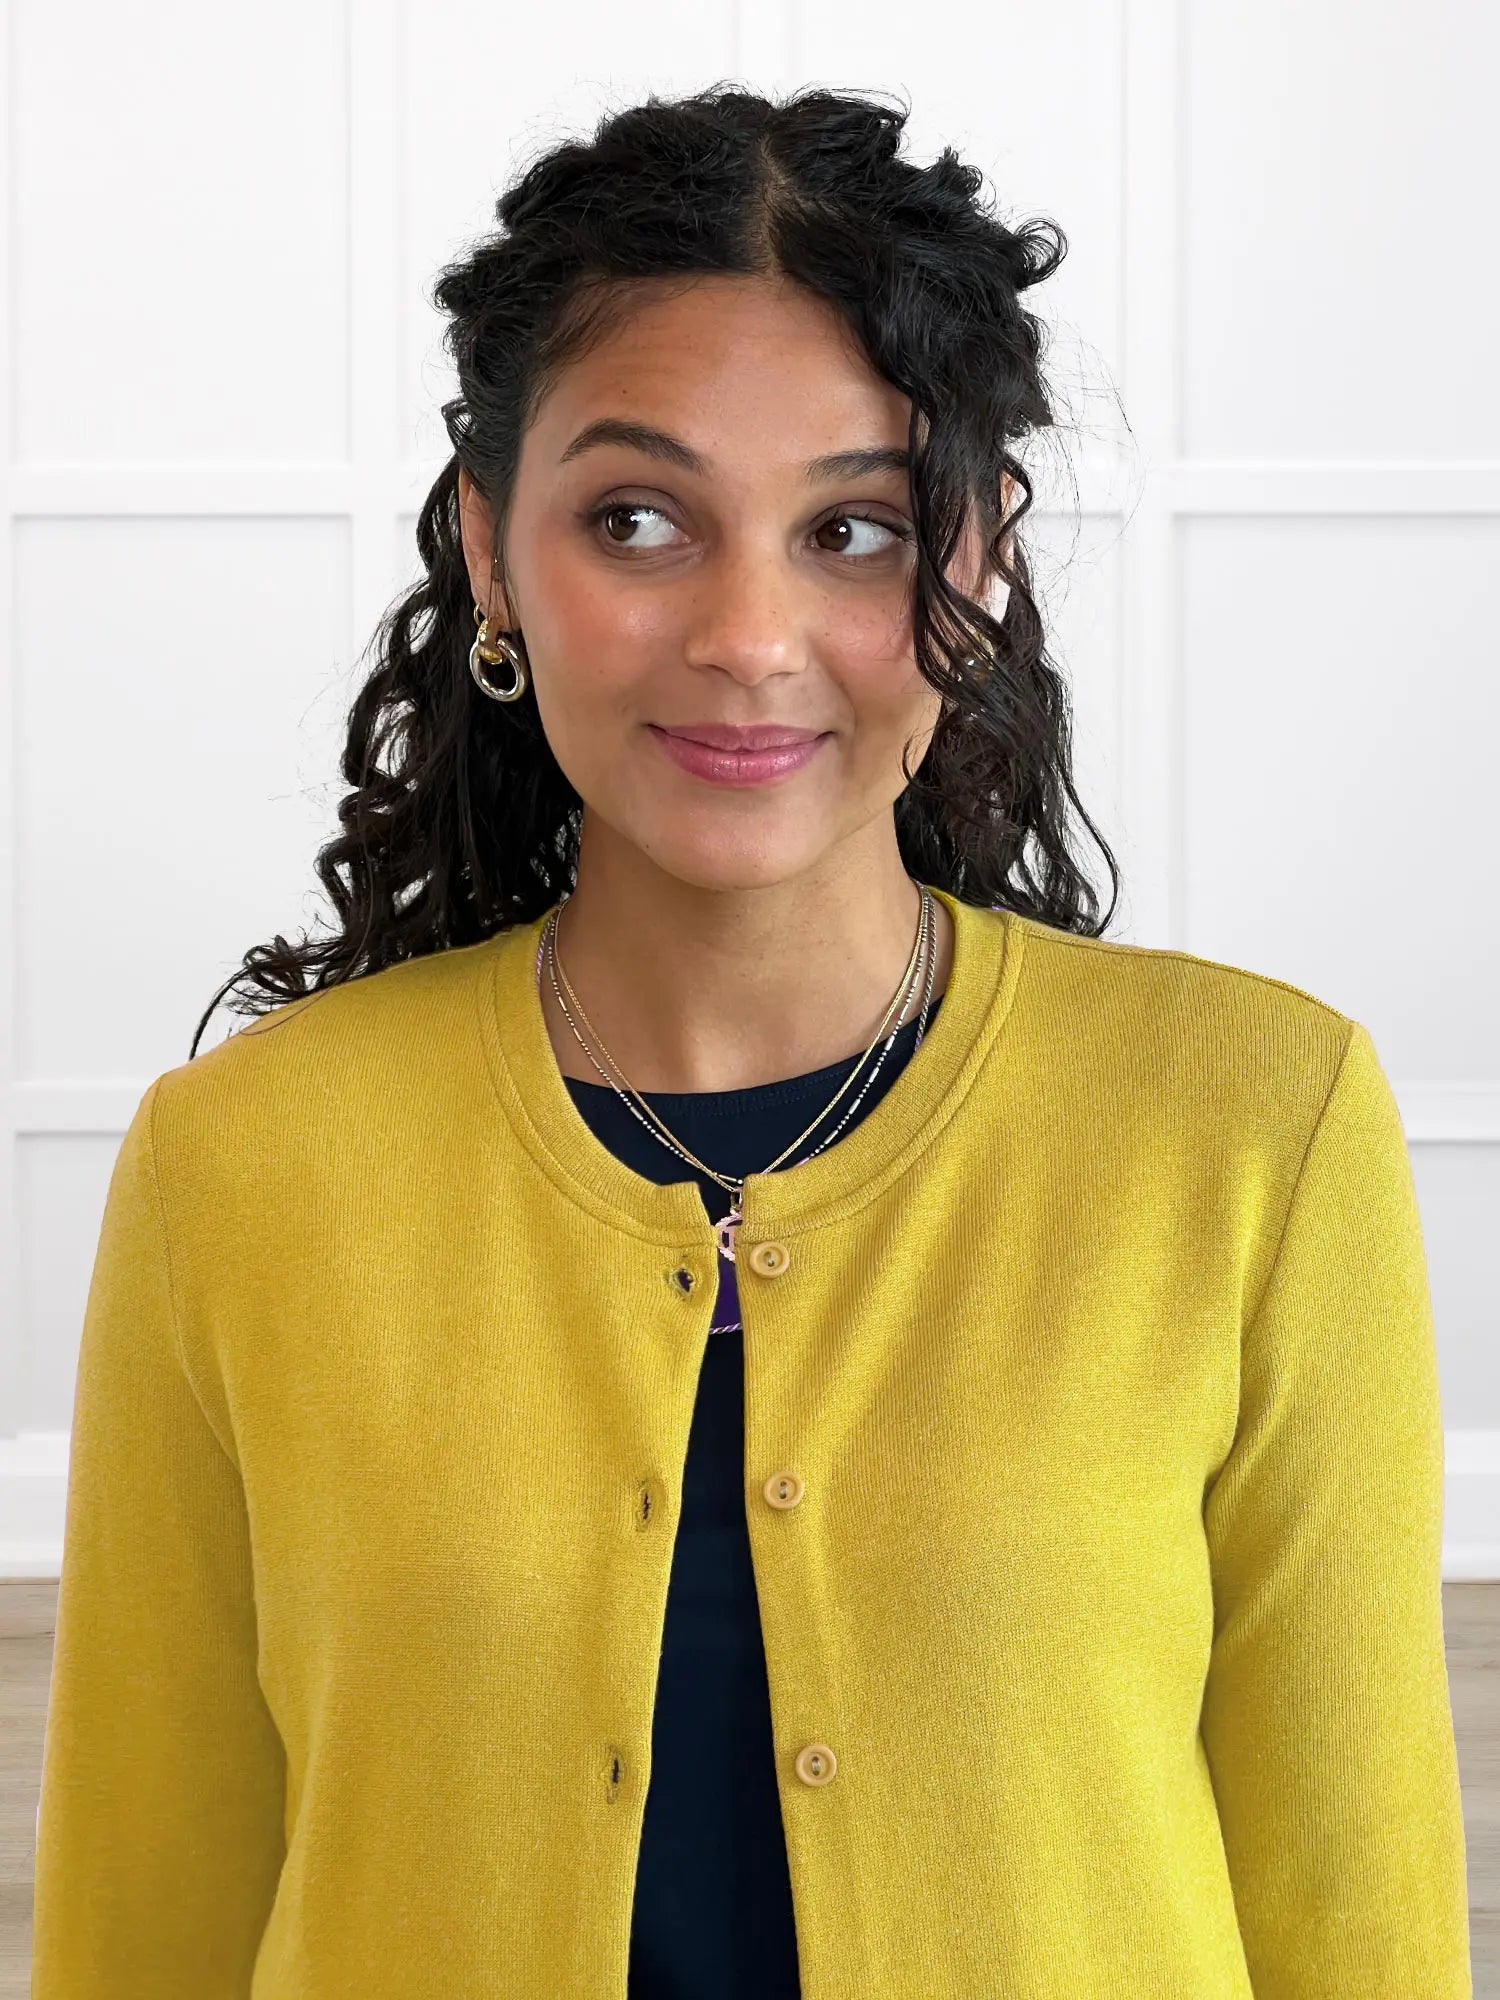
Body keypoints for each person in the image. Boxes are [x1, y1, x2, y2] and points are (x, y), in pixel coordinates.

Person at [31, 82, 1471, 2000]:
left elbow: (1355, 1923)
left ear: (981, 555)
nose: (748, 632)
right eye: (640, 520)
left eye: (854, 529)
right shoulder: (244, 1167)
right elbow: (151, 1923)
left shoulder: (1255, 1133)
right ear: (488, 545)